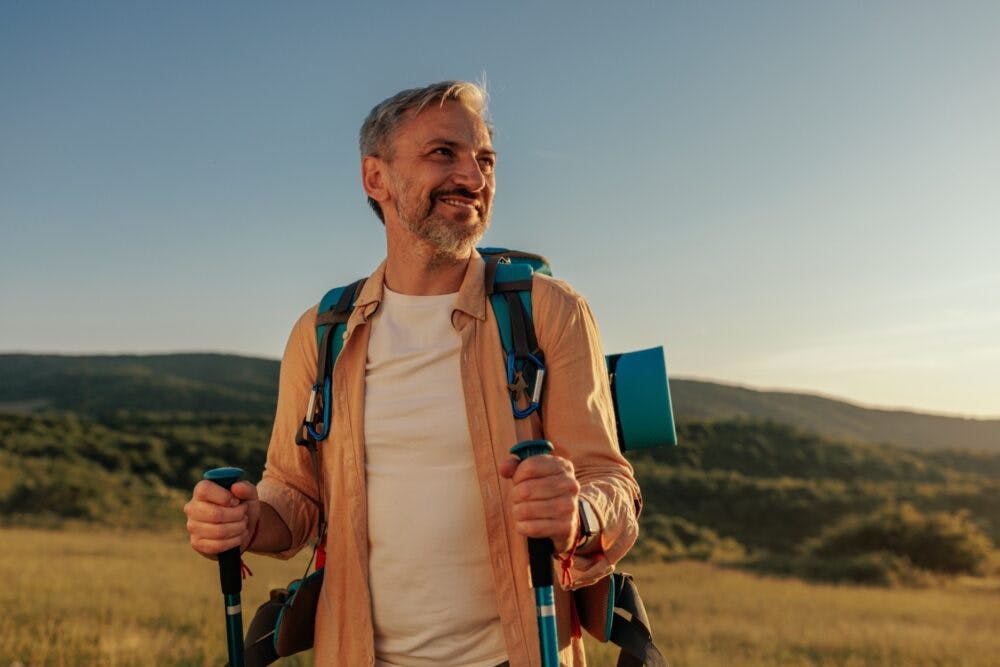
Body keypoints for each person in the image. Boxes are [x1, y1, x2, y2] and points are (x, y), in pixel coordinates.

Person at [184, 80, 640, 667]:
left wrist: (577, 511)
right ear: (376, 178)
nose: (473, 179)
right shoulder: (323, 333)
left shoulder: (549, 311)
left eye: (485, 161)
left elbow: (613, 484)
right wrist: (243, 520)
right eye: (442, 153)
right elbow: (294, 497)